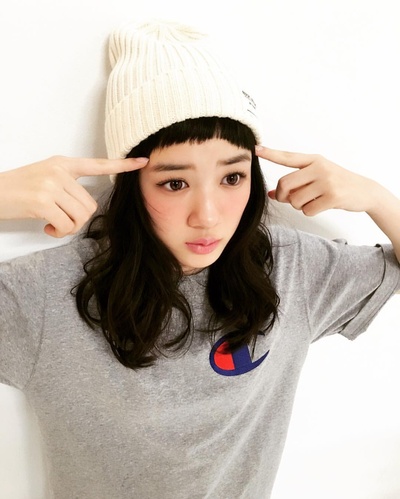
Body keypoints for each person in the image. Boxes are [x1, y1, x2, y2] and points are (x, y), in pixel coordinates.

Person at [0, 19, 399, 499]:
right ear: (130, 186)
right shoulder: (45, 296)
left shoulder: (291, 270)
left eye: (232, 178)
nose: (208, 217)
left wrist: (379, 199)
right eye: (174, 183)